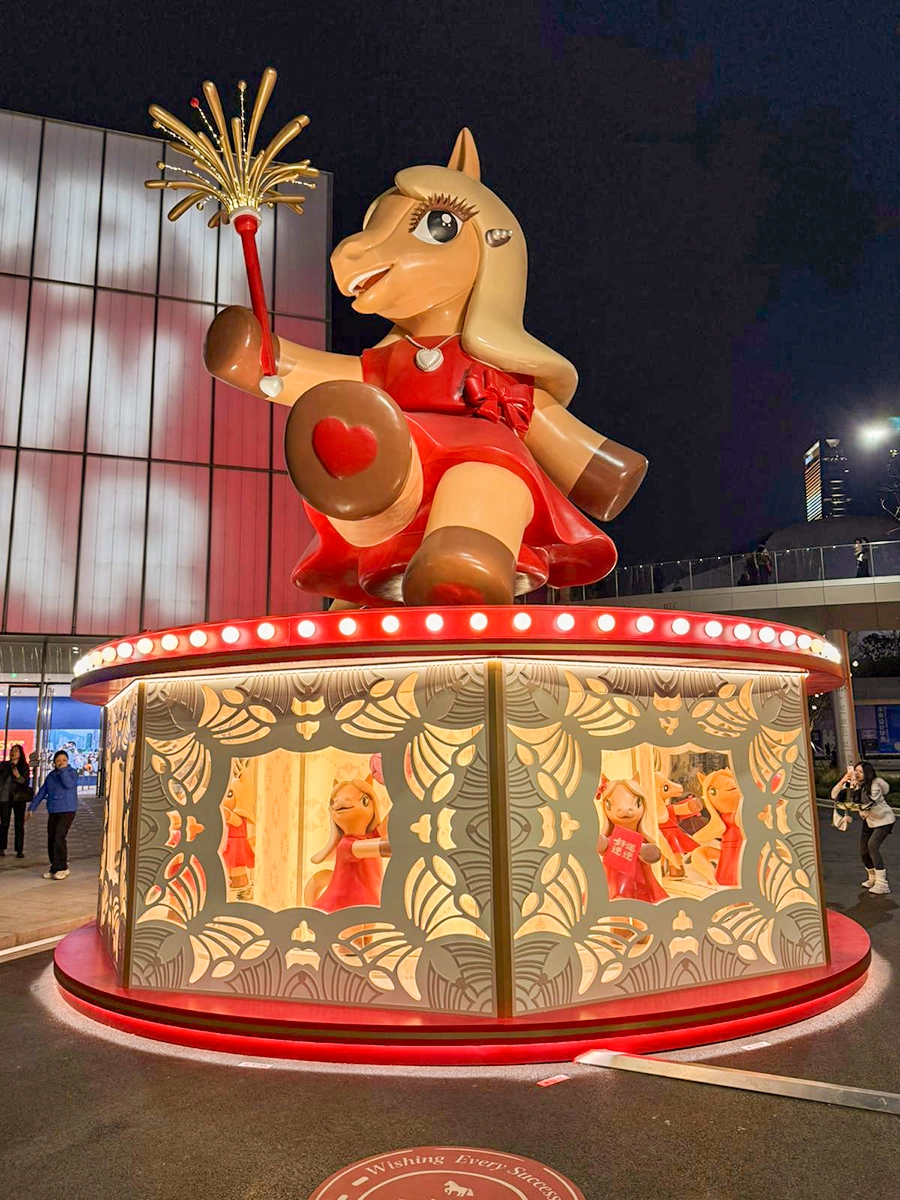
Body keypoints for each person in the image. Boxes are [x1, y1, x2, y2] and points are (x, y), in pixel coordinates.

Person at [831, 760, 895, 894]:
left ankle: (882, 884)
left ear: (867, 773)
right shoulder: (854, 784)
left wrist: (856, 788)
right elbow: (834, 795)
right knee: (864, 850)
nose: (857, 773)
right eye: (856, 771)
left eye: (860, 771)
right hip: (869, 821)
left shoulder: (875, 784)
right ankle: (872, 879)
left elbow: (868, 801)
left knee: (872, 846)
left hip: (884, 820)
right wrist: (843, 780)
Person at [25, 750, 79, 880]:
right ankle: (54, 866)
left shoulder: (71, 773)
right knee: (51, 838)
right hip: (54, 810)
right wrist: (32, 808)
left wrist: (63, 771)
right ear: (54, 762)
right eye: (58, 760)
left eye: (64, 760)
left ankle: (63, 867)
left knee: (59, 837)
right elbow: (42, 792)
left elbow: (68, 784)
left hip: (67, 809)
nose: (61, 763)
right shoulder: (51, 776)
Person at [0, 744, 32, 858]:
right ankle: (1, 848)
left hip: (18, 798)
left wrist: (17, 775)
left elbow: (25, 782)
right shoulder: (4, 765)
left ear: (20, 753)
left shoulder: (24, 767)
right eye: (12, 750)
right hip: (4, 798)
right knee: (4, 824)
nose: (13, 753)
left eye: (16, 751)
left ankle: (19, 849)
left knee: (19, 824)